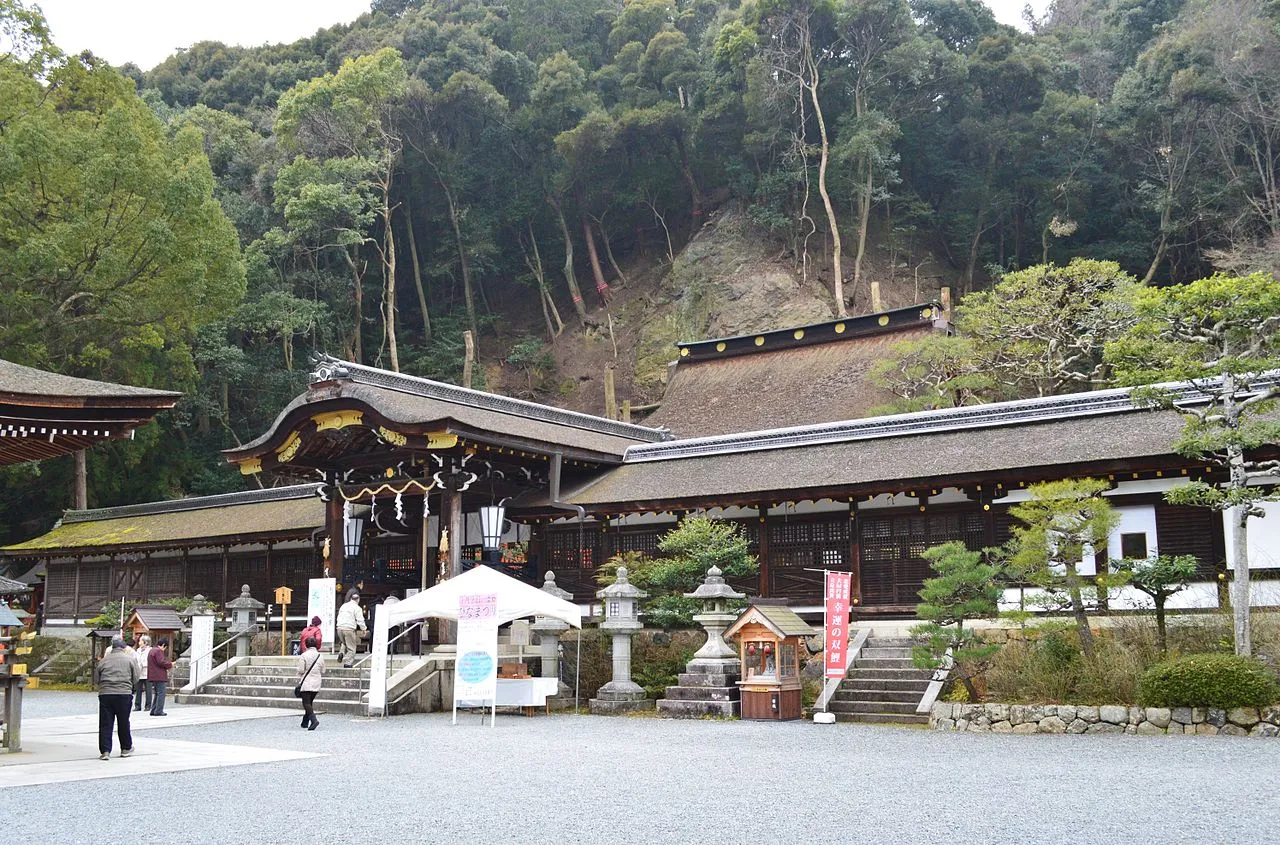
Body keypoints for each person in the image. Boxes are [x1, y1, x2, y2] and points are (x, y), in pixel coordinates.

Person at [94, 636, 138, 760]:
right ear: (123, 648)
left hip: (106, 694)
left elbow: (97, 679)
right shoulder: (130, 660)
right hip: (124, 693)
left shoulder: (103, 661)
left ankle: (105, 751)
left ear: (112, 648)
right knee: (123, 722)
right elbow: (136, 678)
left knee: (105, 723)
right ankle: (125, 748)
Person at [297, 635, 323, 730]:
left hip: (307, 681)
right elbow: (323, 670)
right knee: (309, 702)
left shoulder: (304, 655)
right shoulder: (320, 656)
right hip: (317, 681)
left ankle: (314, 720)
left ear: (306, 645)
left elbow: (301, 670)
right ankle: (305, 722)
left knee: (306, 703)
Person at [335, 590, 366, 668]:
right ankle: (348, 663)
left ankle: (341, 653)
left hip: (339, 628)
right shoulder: (357, 608)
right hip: (349, 629)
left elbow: (338, 616)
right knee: (351, 647)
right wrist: (364, 629)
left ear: (351, 598)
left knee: (344, 643)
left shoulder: (344, 606)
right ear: (358, 599)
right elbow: (360, 620)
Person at [147, 637, 174, 716]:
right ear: (163, 645)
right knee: (161, 693)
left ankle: (154, 710)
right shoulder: (158, 651)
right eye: (165, 647)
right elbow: (161, 662)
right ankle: (158, 710)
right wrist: (170, 664)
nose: (164, 649)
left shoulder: (152, 650)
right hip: (159, 675)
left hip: (153, 674)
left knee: (157, 693)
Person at [133, 635, 152, 712]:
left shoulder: (150, 650)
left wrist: (143, 664)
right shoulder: (137, 650)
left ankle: (148, 706)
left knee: (148, 690)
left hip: (147, 672)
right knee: (138, 690)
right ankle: (137, 706)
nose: (139, 642)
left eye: (141, 641)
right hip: (139, 672)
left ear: (145, 642)